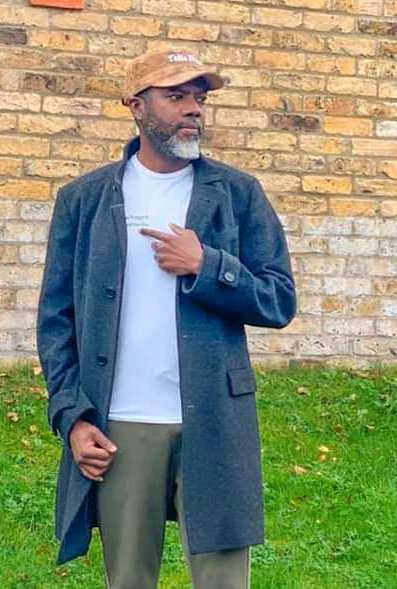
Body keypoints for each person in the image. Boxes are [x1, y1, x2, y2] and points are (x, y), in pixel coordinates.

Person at [36, 50, 297, 589]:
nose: (193, 109)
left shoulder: (237, 194)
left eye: (199, 98)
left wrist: (208, 266)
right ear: (137, 106)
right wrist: (72, 418)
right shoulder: (83, 200)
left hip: (215, 421)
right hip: (121, 426)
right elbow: (56, 321)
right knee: (129, 579)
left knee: (224, 582)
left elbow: (278, 299)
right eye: (176, 96)